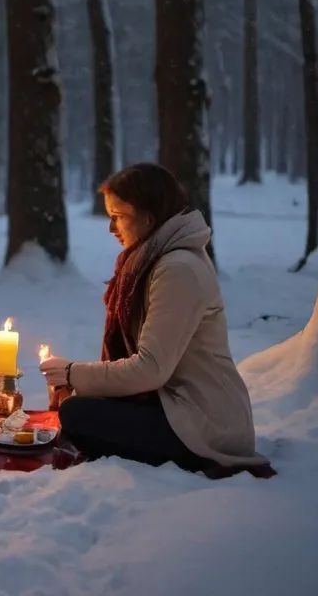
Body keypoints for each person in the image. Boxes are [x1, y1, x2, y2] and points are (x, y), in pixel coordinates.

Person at [40, 163, 269, 474]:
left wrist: (71, 373)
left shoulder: (177, 270)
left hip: (205, 423)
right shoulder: (155, 261)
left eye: (118, 217)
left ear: (148, 218)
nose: (111, 228)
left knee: (78, 414)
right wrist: (80, 382)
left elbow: (149, 369)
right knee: (81, 408)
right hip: (172, 405)